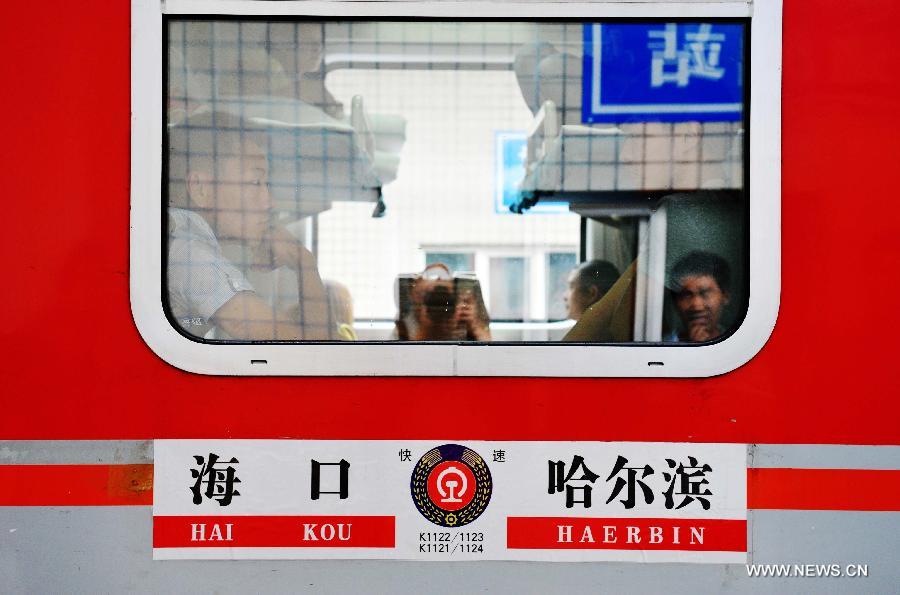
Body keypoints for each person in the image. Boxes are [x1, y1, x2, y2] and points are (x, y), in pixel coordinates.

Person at [167, 111, 335, 340]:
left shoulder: (179, 240)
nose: (269, 202)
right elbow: (316, 349)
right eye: (256, 182)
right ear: (200, 188)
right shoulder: (189, 254)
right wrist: (304, 262)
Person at [667, 251, 731, 342]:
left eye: (705, 294)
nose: (697, 306)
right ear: (675, 301)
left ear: (725, 296)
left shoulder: (738, 343)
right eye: (686, 295)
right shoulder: (660, 346)